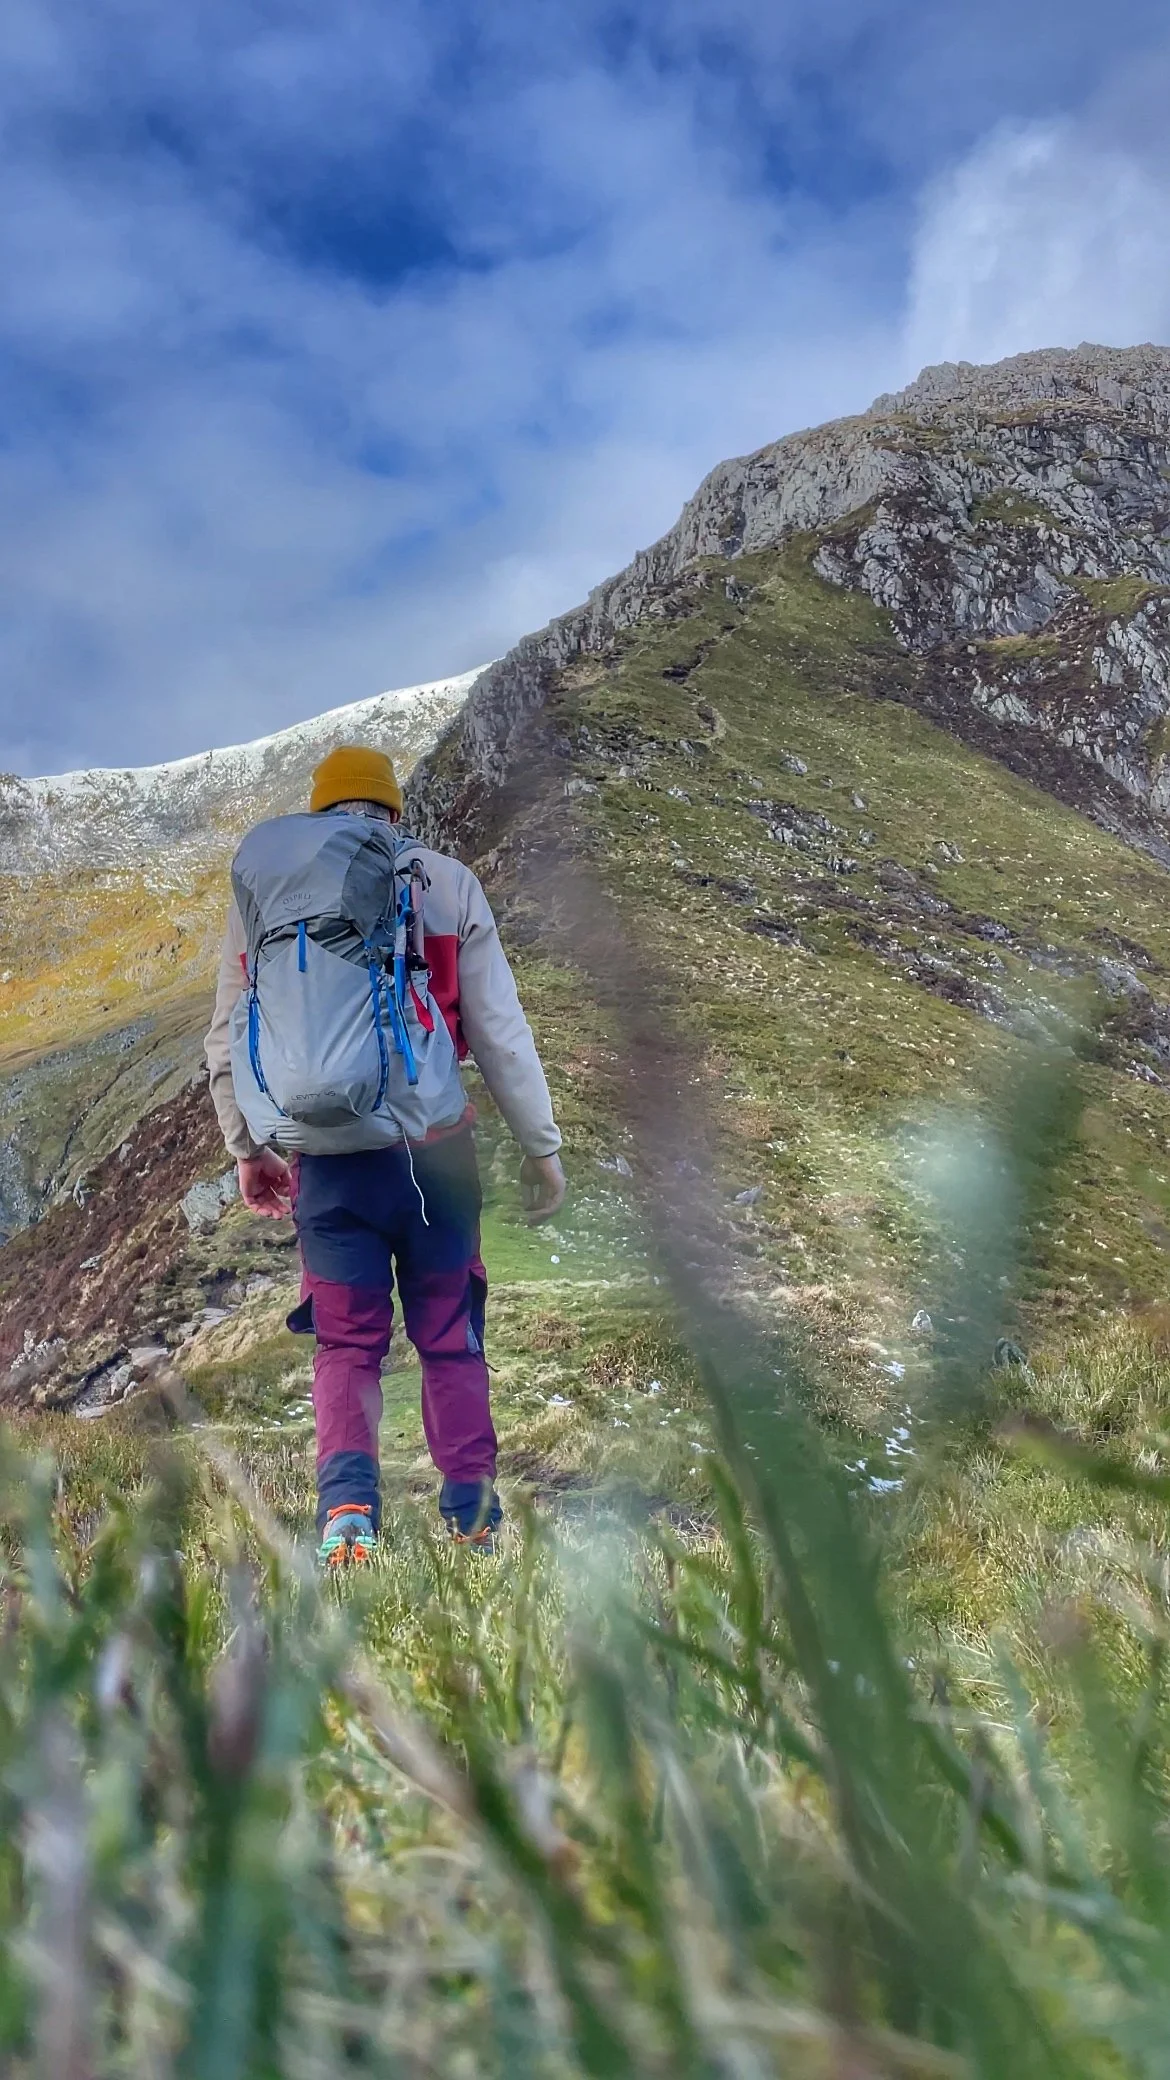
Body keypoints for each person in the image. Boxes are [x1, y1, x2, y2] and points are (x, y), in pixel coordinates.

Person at [203, 742, 565, 1565]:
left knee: (347, 1343)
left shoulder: (268, 892)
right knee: (448, 1335)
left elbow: (227, 1036)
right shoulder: (445, 882)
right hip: (436, 1157)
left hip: (326, 1162)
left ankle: (348, 1518)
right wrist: (542, 1148)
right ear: (393, 810)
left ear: (318, 810)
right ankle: (471, 1512)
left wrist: (248, 1147)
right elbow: (501, 1035)